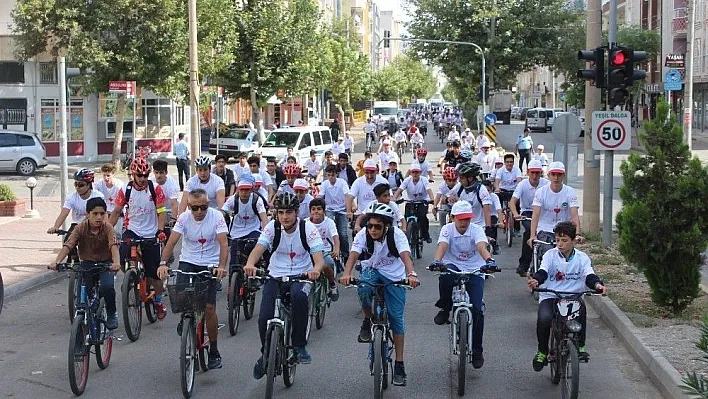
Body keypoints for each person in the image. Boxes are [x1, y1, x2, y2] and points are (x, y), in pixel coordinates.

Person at [339, 202, 420, 387]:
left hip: (395, 275)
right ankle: (368, 319)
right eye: (370, 226)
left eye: (377, 227)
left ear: (386, 227)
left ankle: (399, 364)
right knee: (363, 289)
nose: (373, 230)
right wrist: (346, 273)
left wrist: (411, 274)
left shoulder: (397, 235)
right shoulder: (363, 235)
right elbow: (353, 253)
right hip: (372, 271)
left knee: (396, 319)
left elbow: (406, 255)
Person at [244, 192, 326, 376]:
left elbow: (319, 259)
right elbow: (259, 248)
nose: (284, 217)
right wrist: (250, 264)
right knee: (264, 316)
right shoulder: (273, 227)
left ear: (297, 212)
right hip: (275, 275)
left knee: (299, 297)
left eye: (289, 212)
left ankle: (299, 347)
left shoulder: (308, 229)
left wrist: (316, 270)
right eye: (281, 212)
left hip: (301, 275)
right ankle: (266, 354)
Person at [158, 189, 229, 369]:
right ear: (189, 206)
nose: (199, 211)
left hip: (210, 264)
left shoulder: (217, 217)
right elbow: (172, 242)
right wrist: (163, 263)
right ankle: (186, 318)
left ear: (208, 205)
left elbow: (223, 243)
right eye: (195, 208)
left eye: (203, 207)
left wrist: (221, 267)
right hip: (188, 261)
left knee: (209, 307)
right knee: (181, 295)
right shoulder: (183, 218)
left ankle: (214, 350)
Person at [527, 221, 608, 370]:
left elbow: (589, 276)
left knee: (581, 313)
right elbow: (543, 272)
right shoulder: (550, 255)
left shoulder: (582, 258)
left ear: (573, 241)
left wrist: (598, 285)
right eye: (557, 240)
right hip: (551, 296)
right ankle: (542, 351)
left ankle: (581, 346)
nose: (560, 244)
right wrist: (536, 280)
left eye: (564, 240)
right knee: (544, 319)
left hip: (573, 297)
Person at [430, 201, 498, 369]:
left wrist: (489, 260)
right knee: (445, 277)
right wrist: (437, 261)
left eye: (467, 219)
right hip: (452, 265)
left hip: (475, 268)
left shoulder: (476, 230)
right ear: (453, 218)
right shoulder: (447, 230)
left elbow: (481, 246)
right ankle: (445, 309)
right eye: (460, 219)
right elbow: (442, 245)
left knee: (477, 310)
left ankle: (477, 351)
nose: (464, 222)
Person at [108, 157, 168, 318]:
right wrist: (106, 230)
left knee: (153, 273)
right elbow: (115, 212)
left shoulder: (155, 189)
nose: (142, 179)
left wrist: (160, 230)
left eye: (145, 175)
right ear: (133, 175)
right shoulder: (125, 190)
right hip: (132, 230)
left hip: (151, 232)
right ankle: (131, 278)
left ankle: (159, 301)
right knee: (120, 257)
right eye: (139, 175)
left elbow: (161, 212)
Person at [49, 197, 121, 329]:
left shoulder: (108, 228)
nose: (99, 217)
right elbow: (68, 245)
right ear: (87, 214)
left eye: (102, 213)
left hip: (105, 264)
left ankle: (111, 313)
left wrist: (116, 262)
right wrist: (57, 261)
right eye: (95, 214)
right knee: (85, 293)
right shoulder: (80, 228)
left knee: (107, 287)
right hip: (87, 264)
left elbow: (113, 246)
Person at [527, 161, 582, 263]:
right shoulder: (541, 192)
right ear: (548, 175)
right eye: (553, 174)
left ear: (563, 176)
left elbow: (575, 215)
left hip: (564, 229)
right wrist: (532, 235)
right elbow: (535, 215)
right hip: (545, 228)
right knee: (548, 252)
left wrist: (577, 234)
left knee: (566, 254)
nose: (556, 178)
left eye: (559, 174)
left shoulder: (570, 192)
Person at [510, 160, 549, 276]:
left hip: (543, 213)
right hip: (527, 212)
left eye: (538, 173)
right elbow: (512, 202)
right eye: (533, 173)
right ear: (528, 172)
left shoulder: (546, 184)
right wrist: (516, 214)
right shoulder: (522, 185)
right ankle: (524, 264)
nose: (535, 175)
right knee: (529, 232)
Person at [445, 163, 494, 240]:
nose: (459, 180)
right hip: (461, 226)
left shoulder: (481, 190)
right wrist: (448, 198)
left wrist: (488, 229)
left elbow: (487, 211)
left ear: (470, 178)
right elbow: (444, 198)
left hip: (478, 226)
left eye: (461, 178)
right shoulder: (460, 187)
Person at [48, 168, 105, 234]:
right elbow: (64, 214)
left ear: (89, 185)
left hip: (95, 226)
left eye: (81, 185)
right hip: (77, 226)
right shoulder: (71, 197)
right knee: (68, 243)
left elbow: (104, 215)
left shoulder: (98, 196)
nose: (77, 187)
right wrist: (55, 227)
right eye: (76, 184)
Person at [392, 162, 435, 243]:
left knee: (422, 217)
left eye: (417, 172)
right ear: (410, 173)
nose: (415, 174)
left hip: (422, 202)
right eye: (413, 172)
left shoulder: (424, 180)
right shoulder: (407, 180)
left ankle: (426, 235)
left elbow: (429, 191)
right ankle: (406, 233)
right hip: (410, 201)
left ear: (420, 173)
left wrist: (432, 199)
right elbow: (399, 190)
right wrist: (394, 199)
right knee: (405, 217)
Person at [307, 198, 340, 299]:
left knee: (328, 264)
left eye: (319, 209)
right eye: (313, 209)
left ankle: (332, 284)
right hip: (309, 251)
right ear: (310, 211)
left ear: (324, 211)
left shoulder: (329, 222)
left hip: (324, 250)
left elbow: (335, 237)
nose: (316, 211)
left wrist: (336, 249)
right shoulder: (305, 223)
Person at [318, 164, 350, 263]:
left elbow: (347, 196)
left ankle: (345, 254)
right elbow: (320, 196)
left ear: (337, 174)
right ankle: (331, 251)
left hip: (341, 210)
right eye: (329, 175)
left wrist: (348, 210)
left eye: (333, 175)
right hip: (329, 210)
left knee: (343, 234)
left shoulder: (342, 183)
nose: (331, 177)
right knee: (330, 231)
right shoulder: (324, 184)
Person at [347, 159, 388, 234]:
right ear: (363, 171)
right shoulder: (358, 182)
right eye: (367, 173)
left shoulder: (383, 181)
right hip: (362, 214)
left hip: (379, 214)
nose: (369, 176)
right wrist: (348, 211)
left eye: (372, 173)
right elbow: (350, 197)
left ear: (376, 171)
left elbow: (389, 197)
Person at [494, 153, 523, 236]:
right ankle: (499, 218)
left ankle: (517, 229)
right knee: (497, 201)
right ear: (504, 162)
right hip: (503, 190)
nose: (509, 164)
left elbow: (519, 181)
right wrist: (497, 187)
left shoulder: (517, 170)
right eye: (507, 162)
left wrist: (520, 189)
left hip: (514, 191)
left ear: (513, 162)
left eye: (511, 162)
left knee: (516, 208)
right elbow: (497, 181)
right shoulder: (500, 170)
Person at [94, 163, 124, 236]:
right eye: (104, 175)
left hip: (117, 212)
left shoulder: (119, 185)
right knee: (103, 233)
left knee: (118, 234)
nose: (106, 178)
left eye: (108, 175)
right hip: (105, 212)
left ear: (113, 174)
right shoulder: (98, 184)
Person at [481, 179, 504, 255]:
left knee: (492, 227)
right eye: (484, 190)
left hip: (492, 216)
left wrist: (501, 221)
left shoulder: (494, 197)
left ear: (491, 190)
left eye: (488, 190)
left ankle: (494, 244)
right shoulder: (479, 196)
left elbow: (499, 209)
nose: (486, 193)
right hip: (481, 217)